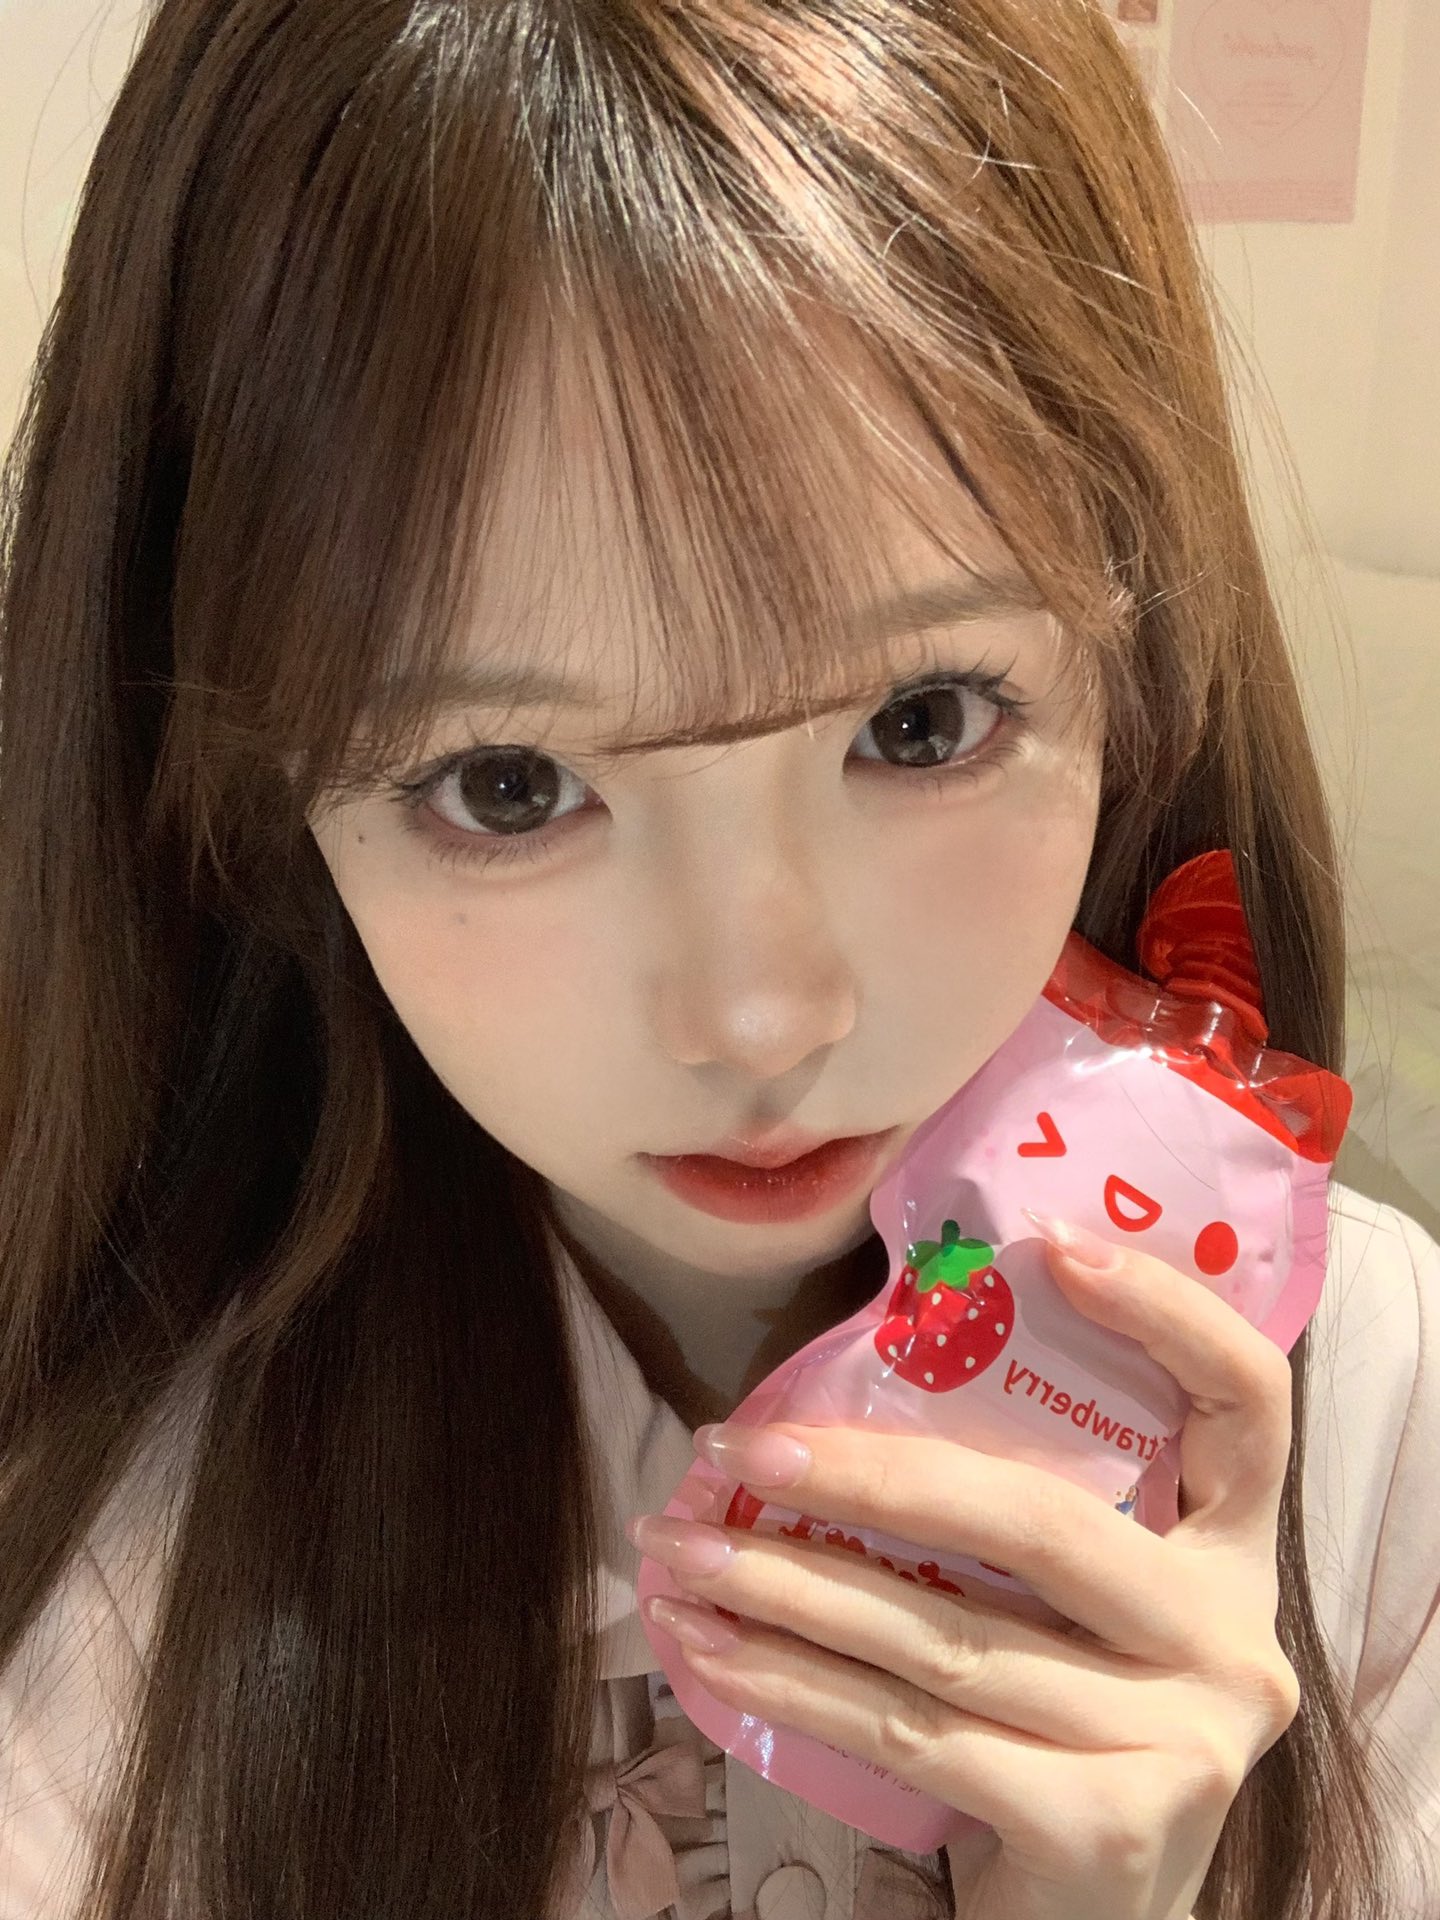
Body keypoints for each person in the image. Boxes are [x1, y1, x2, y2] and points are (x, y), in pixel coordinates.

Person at [0, 2, 1435, 1916]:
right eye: (509, 784)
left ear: (1139, 669)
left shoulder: (1374, 1415)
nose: (764, 1015)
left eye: (923, 720)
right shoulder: (104, 1570)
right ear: (251, 791)